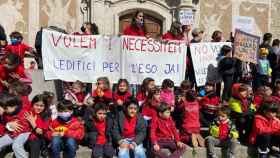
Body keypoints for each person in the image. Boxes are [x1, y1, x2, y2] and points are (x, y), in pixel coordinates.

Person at [0, 93, 31, 158]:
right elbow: (5, 124)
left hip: (24, 133)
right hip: (11, 134)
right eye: (4, 108)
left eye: (6, 108)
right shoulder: (6, 113)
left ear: (14, 106)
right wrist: (8, 125)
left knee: (16, 145)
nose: (5, 110)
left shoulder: (23, 111)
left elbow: (25, 126)